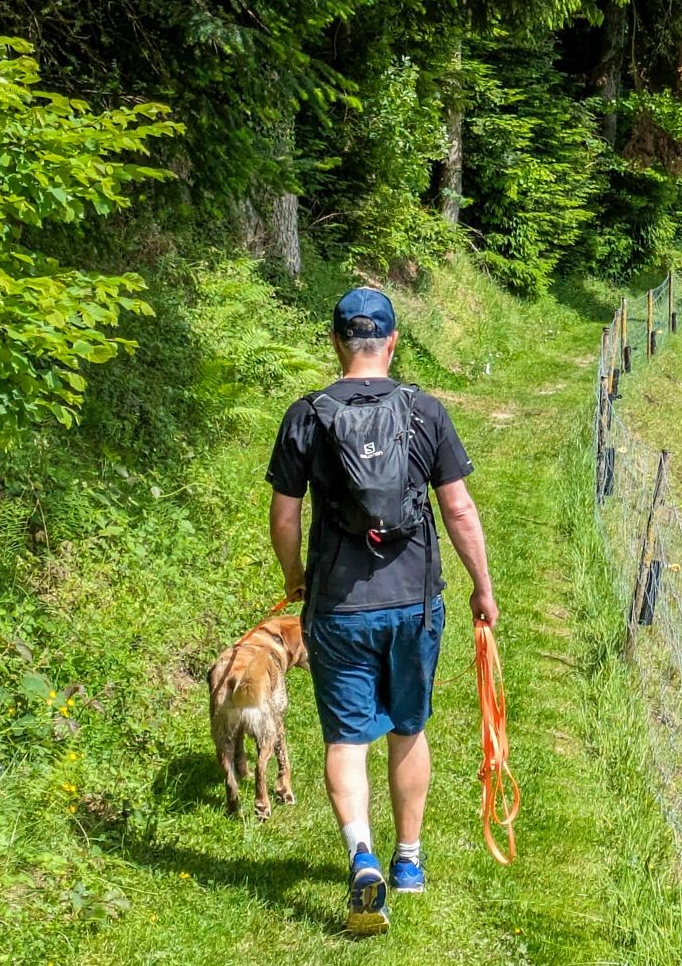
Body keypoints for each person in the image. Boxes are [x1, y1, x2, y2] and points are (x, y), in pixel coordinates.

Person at [266, 286, 498, 937]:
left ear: (335, 341)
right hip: (415, 601)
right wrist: (482, 587)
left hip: (338, 604)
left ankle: (360, 854)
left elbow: (285, 515)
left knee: (346, 737)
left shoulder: (306, 416)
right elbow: (458, 509)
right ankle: (410, 861)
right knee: (407, 726)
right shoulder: (425, 412)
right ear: (392, 342)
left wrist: (296, 578)